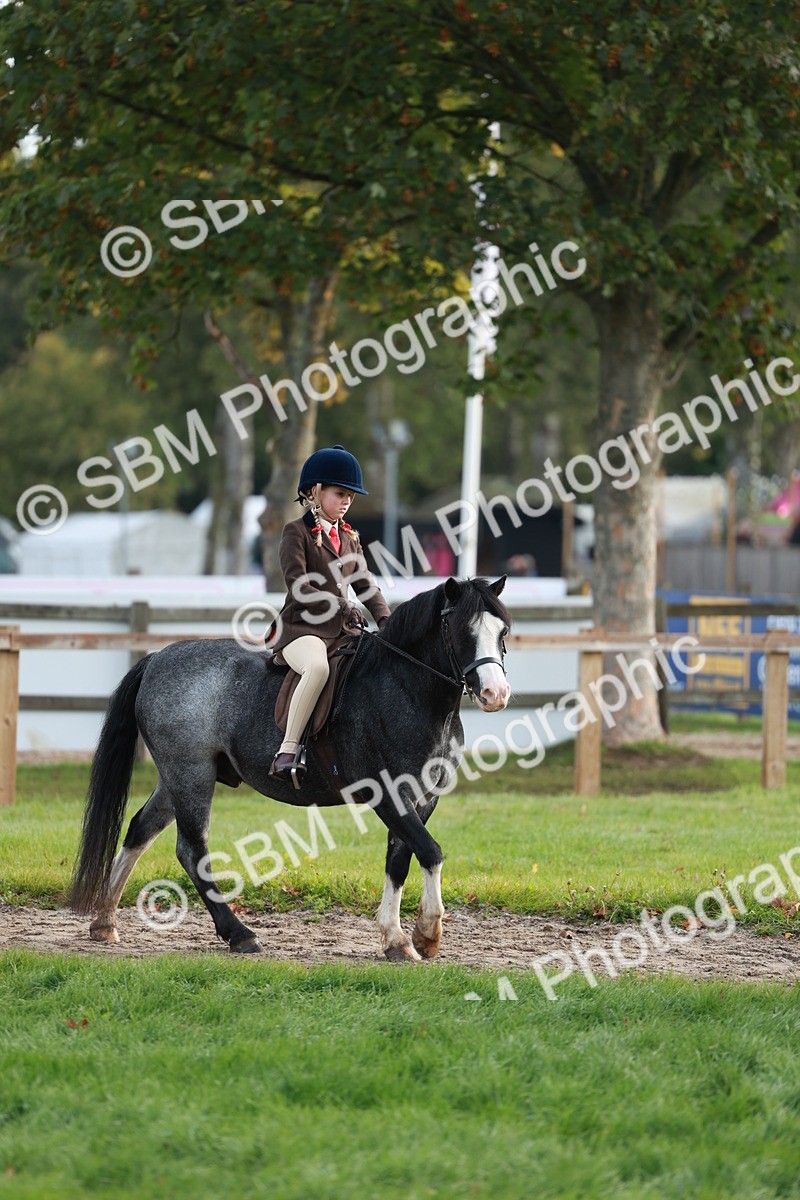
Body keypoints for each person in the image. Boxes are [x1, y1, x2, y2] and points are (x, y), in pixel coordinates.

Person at [268, 444, 391, 780]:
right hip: (301, 628)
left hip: (340, 632)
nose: (347, 501)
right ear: (315, 491)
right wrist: (341, 604)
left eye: (351, 496)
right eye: (340, 494)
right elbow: (298, 586)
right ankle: (287, 750)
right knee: (317, 668)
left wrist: (386, 620)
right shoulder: (295, 532)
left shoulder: (350, 537)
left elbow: (365, 584)